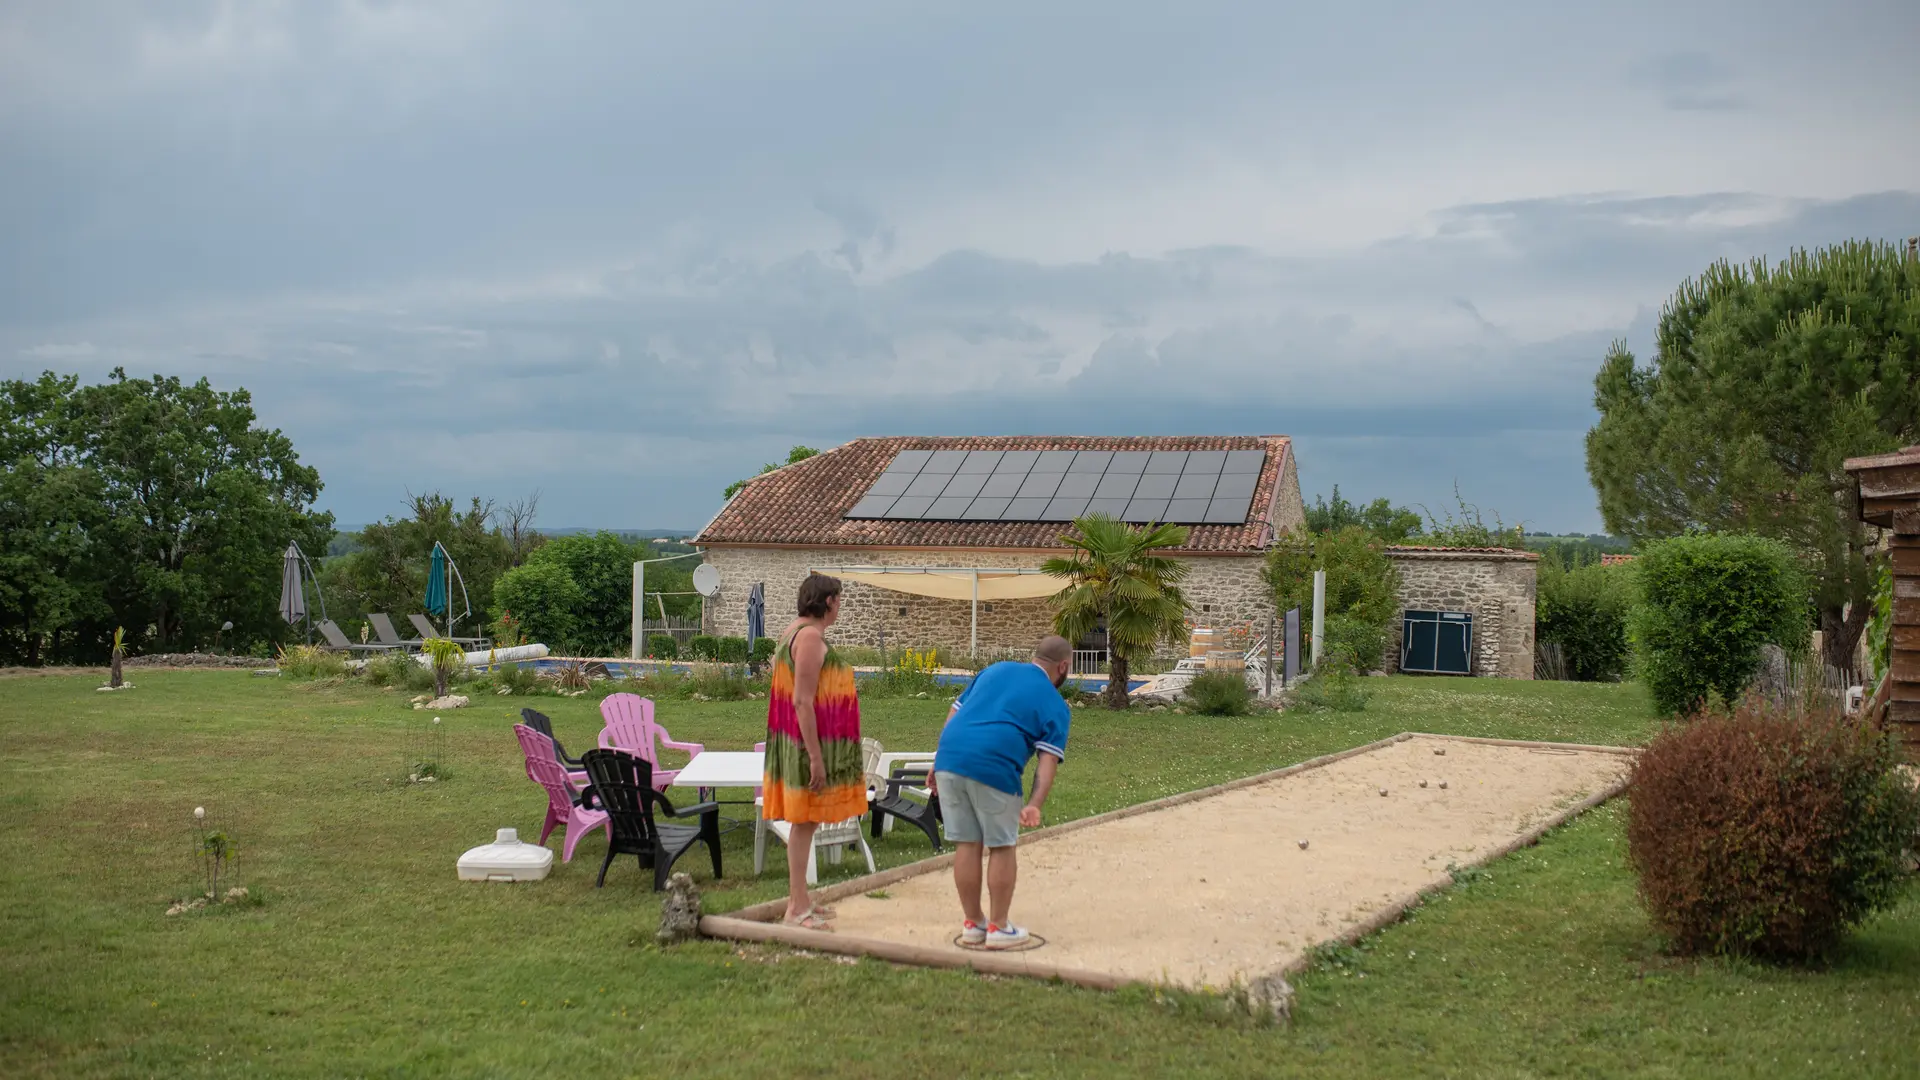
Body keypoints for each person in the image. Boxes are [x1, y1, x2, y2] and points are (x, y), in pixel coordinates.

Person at [932, 635, 1073, 949]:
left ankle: (973, 924)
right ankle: (998, 927)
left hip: (950, 758)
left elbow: (955, 713)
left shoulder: (994, 671)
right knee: (1001, 845)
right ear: (1063, 667)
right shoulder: (1054, 703)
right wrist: (1035, 803)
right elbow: (1047, 761)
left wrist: (937, 761)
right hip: (994, 766)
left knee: (967, 844)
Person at [762, 573, 867, 929]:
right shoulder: (807, 637)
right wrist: (817, 758)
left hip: (798, 742)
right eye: (838, 600)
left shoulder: (795, 630)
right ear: (827, 602)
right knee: (804, 824)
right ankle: (796, 908)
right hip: (807, 747)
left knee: (804, 824)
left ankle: (800, 900)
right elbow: (803, 701)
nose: (840, 607)